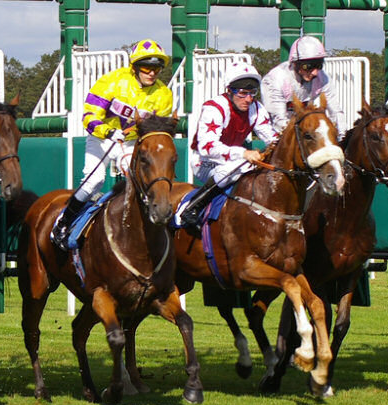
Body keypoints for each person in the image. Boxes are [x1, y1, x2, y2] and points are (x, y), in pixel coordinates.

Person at [51, 39, 173, 250]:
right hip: (102, 138)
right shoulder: (111, 81)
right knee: (94, 181)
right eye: (146, 67)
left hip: (132, 143)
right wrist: (107, 131)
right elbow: (89, 117)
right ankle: (64, 222)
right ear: (134, 67)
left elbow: (157, 131)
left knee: (138, 179)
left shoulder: (164, 95)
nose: (152, 73)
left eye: (157, 68)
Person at [176, 62, 279, 230]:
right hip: (204, 161)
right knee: (231, 170)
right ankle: (192, 208)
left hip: (235, 159)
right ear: (229, 90)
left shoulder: (256, 108)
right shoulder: (214, 107)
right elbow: (207, 147)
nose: (249, 99)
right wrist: (244, 154)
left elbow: (271, 137)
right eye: (243, 93)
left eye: (253, 93)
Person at [261, 35, 345, 136]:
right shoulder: (275, 79)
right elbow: (279, 121)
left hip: (303, 131)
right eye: (308, 66)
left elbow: (335, 111)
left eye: (319, 66)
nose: (315, 72)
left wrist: (341, 136)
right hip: (274, 133)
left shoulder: (322, 77)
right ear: (295, 63)